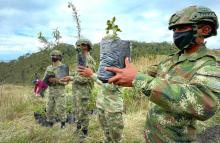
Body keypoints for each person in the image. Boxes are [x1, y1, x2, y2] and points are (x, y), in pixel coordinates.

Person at [103, 6, 220, 142]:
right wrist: (122, 72)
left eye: (182, 28)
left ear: (205, 30)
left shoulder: (209, 65)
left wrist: (138, 79)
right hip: (152, 136)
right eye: (174, 29)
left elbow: (205, 106)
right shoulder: (169, 60)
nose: (176, 33)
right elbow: (144, 74)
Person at [77, 55, 124, 142]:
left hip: (112, 108)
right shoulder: (104, 65)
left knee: (116, 137)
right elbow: (101, 80)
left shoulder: (119, 67)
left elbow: (111, 87)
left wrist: (92, 75)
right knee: (106, 134)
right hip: (101, 105)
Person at [62, 38, 96, 141]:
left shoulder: (89, 60)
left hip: (84, 91)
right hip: (77, 91)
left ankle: (84, 132)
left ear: (87, 47)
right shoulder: (81, 59)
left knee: (83, 112)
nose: (79, 48)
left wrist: (71, 78)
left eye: (81, 46)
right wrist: (69, 76)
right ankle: (78, 128)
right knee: (77, 111)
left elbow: (86, 78)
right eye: (78, 46)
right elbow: (78, 74)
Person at [43, 50, 68, 128]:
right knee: (49, 108)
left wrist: (56, 80)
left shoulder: (63, 67)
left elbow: (66, 82)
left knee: (61, 108)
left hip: (60, 92)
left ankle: (63, 124)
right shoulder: (49, 67)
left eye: (55, 56)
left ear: (60, 57)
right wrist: (41, 83)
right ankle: (50, 122)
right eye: (52, 56)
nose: (53, 57)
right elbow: (44, 79)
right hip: (51, 92)